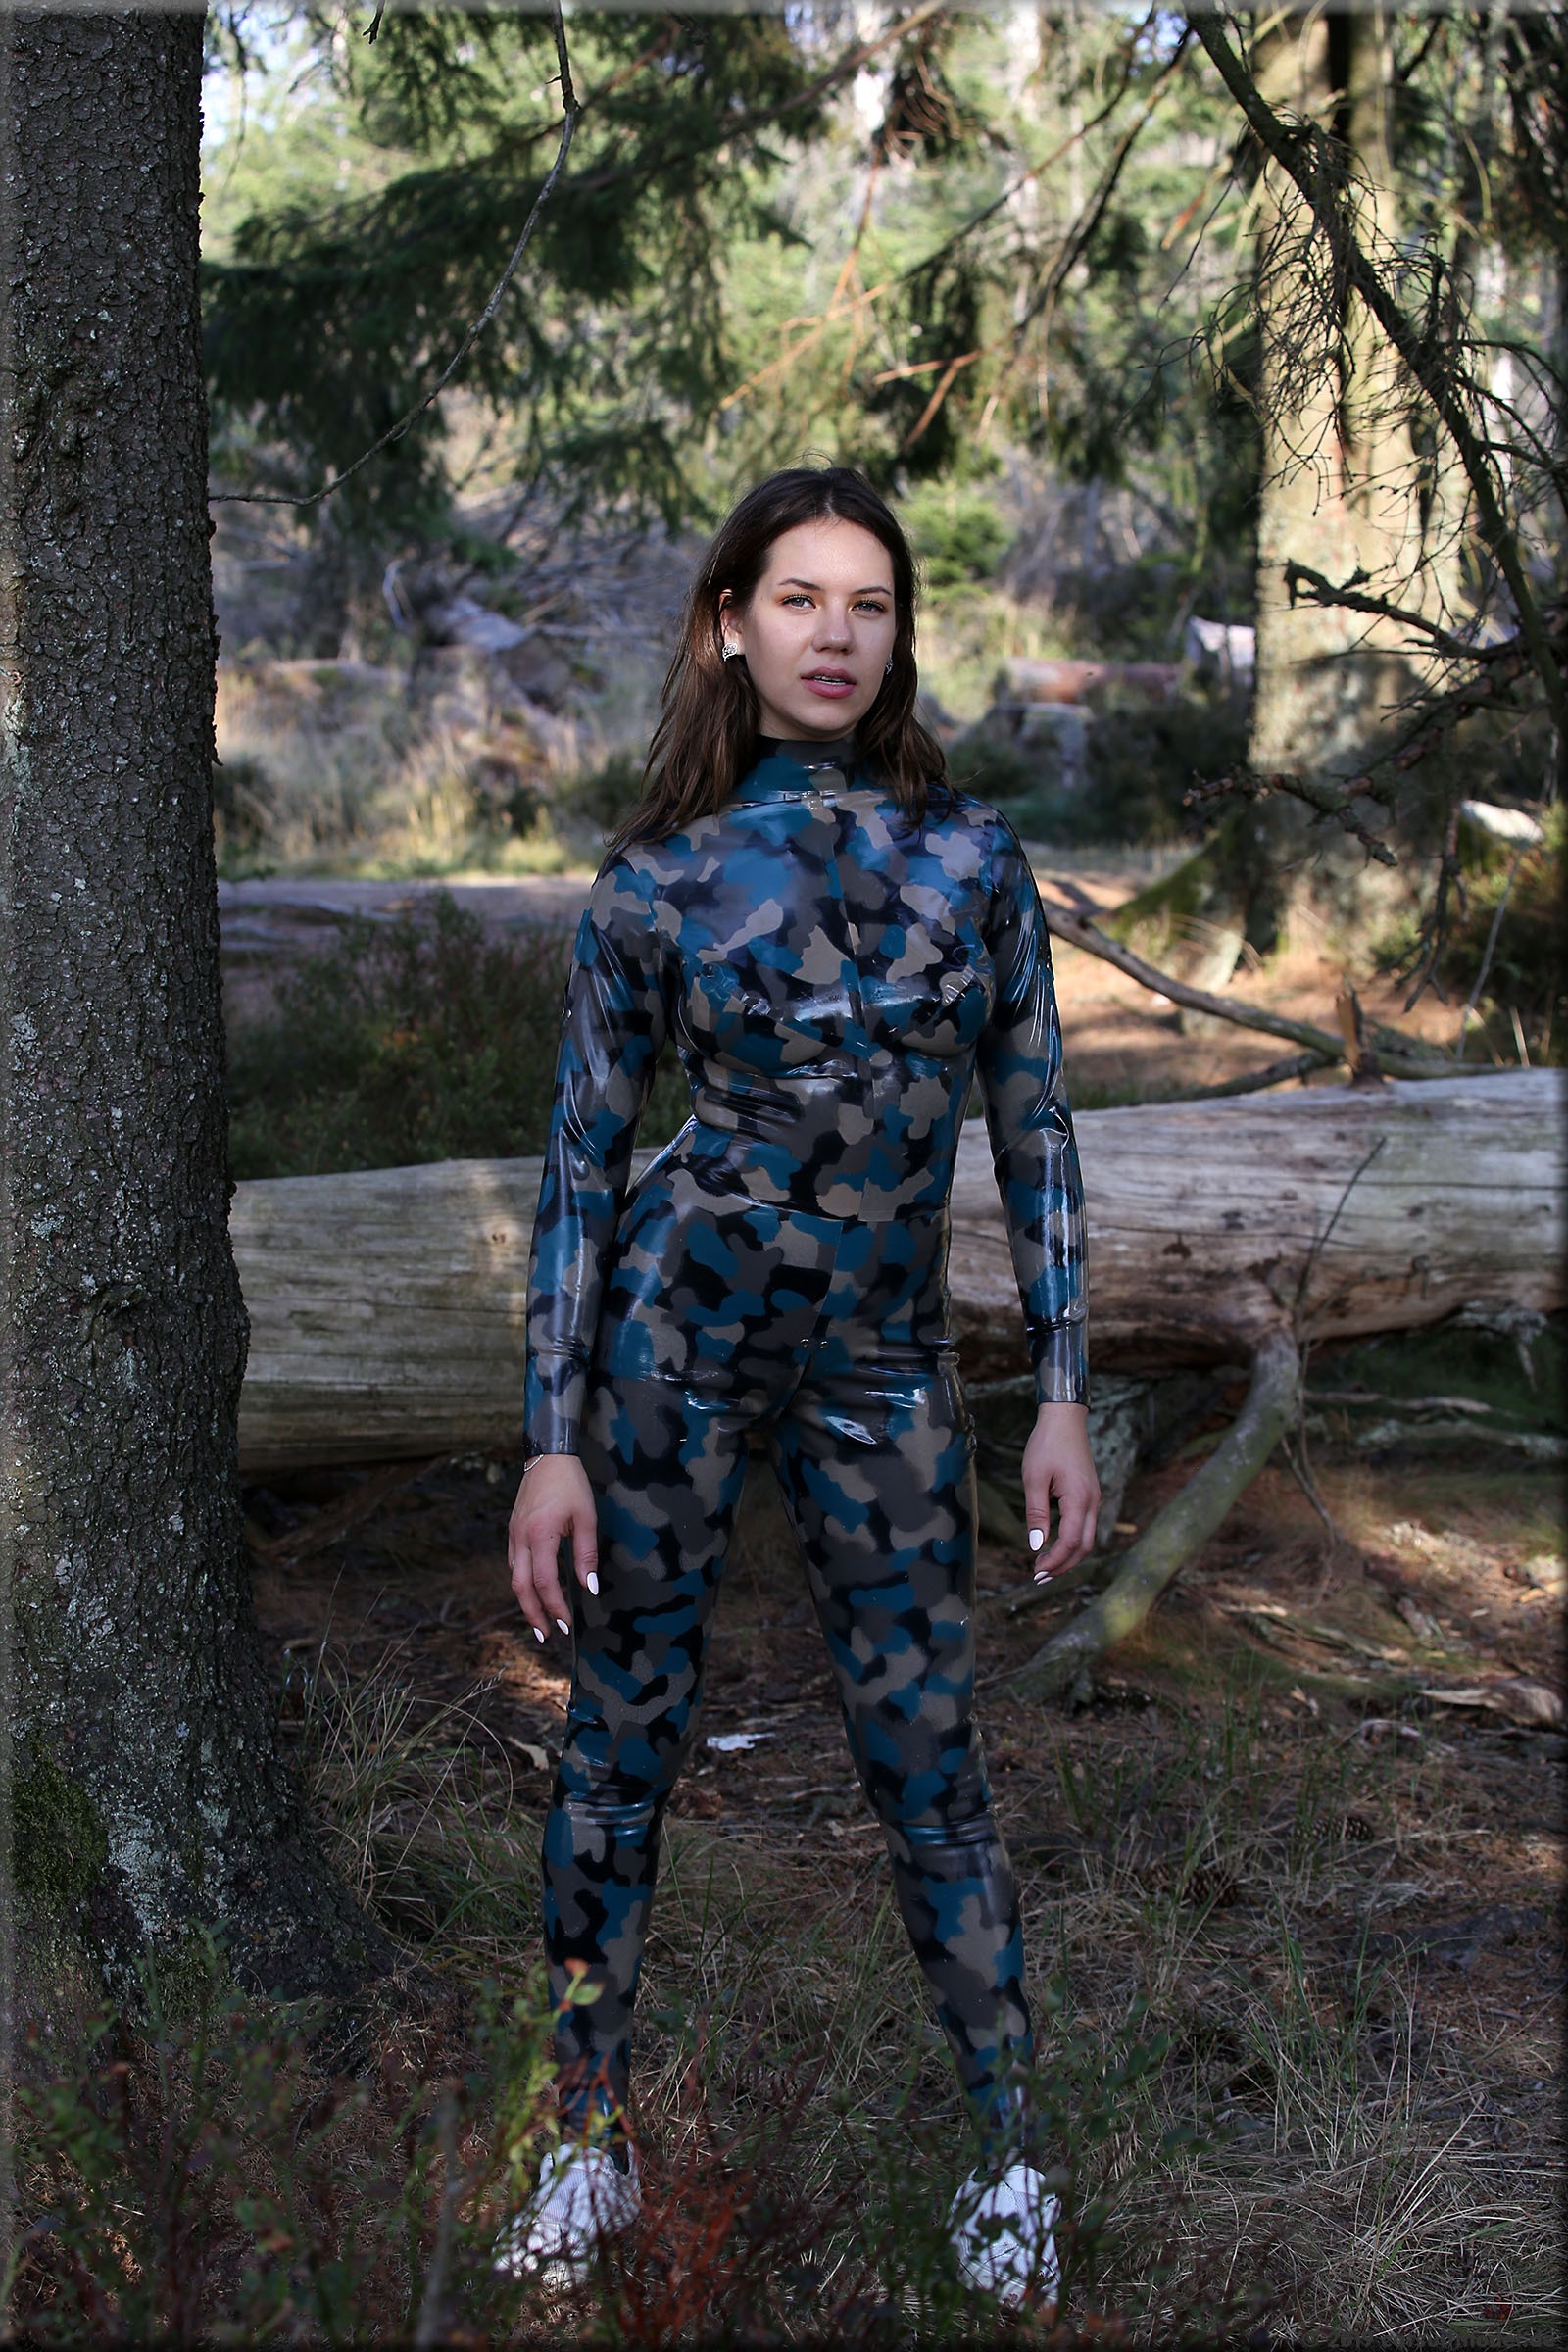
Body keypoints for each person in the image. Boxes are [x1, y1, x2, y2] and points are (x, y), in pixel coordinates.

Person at [501, 466, 1099, 2303]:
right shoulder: (655, 880)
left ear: (899, 634)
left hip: (887, 1365)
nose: (836, 634)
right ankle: (580, 2145)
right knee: (620, 1749)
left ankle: (1008, 2162)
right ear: (730, 625)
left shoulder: (973, 860)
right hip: (666, 1357)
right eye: (799, 598)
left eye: (871, 602)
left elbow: (1037, 1124)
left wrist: (1064, 1386)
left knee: (933, 1764)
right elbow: (584, 1161)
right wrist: (549, 1440)